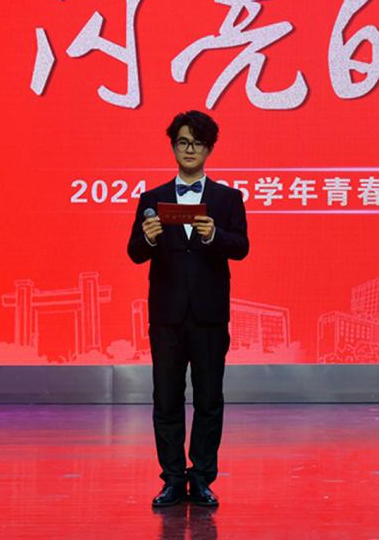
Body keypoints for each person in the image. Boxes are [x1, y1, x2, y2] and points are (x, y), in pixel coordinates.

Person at [127, 110, 249, 508]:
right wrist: (148, 239)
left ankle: (202, 479)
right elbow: (134, 253)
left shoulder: (228, 199)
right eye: (183, 142)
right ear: (173, 147)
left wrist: (214, 235)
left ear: (209, 148)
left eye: (197, 143)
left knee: (209, 399)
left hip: (209, 316)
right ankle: (172, 479)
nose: (190, 149)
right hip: (167, 316)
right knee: (166, 398)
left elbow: (241, 247)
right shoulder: (152, 199)